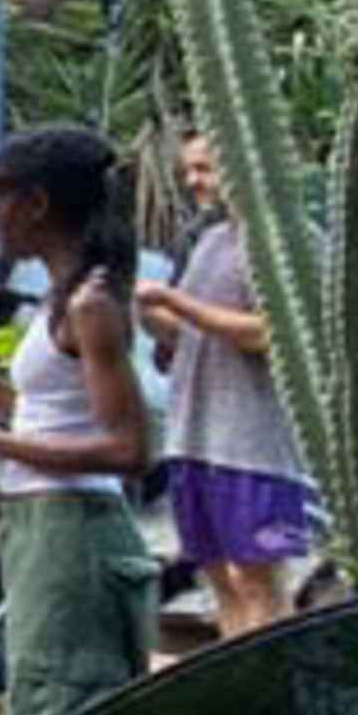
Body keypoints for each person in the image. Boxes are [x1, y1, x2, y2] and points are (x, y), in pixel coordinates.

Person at [0, 121, 156, 715]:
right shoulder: (64, 295)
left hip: (73, 533)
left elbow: (129, 449)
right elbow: (68, 409)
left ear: (38, 203)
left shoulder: (91, 304)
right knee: (41, 696)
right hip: (44, 526)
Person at [139, 130, 318, 635]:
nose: (193, 181)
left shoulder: (290, 243)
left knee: (258, 580)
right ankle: (238, 681)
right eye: (189, 170)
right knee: (218, 576)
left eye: (205, 169)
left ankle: (276, 688)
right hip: (193, 437)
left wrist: (175, 302)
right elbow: (193, 333)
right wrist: (148, 314)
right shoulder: (213, 241)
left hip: (252, 443)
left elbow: (268, 334)